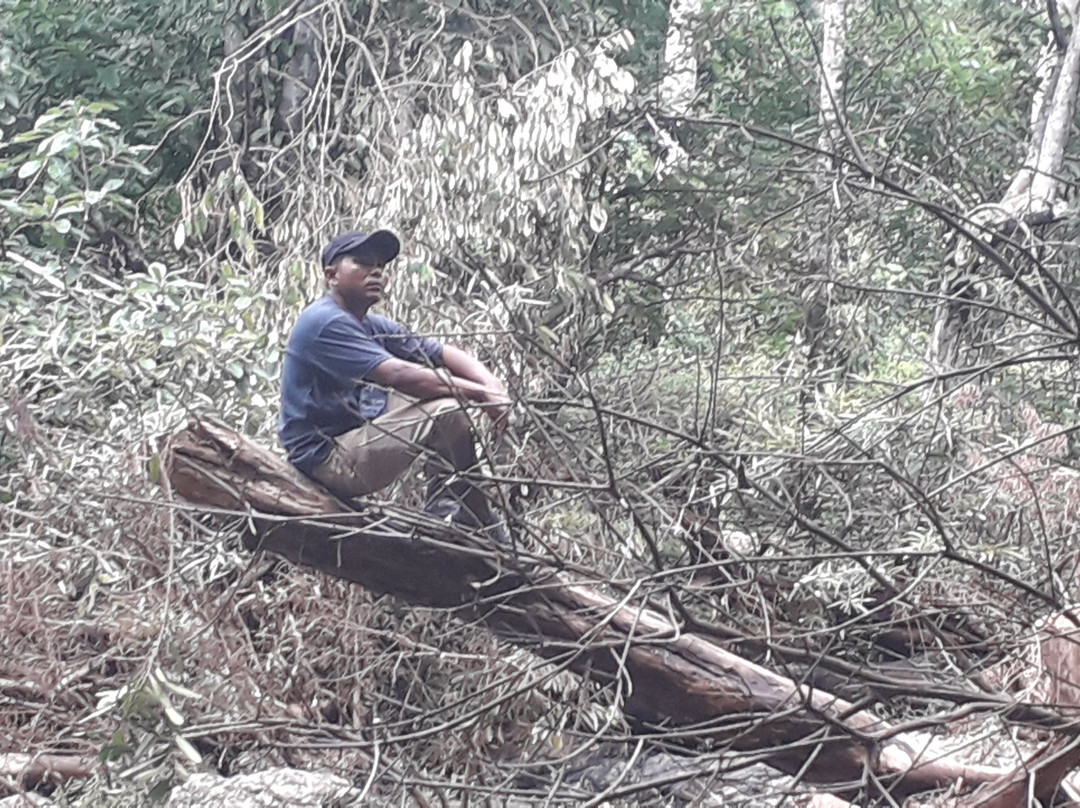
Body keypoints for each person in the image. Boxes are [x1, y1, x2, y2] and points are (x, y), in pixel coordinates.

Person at [278, 229, 510, 536]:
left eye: (380, 265)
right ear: (332, 275)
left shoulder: (370, 324)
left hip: (351, 434)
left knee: (442, 398)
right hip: (325, 459)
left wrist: (492, 386)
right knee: (445, 410)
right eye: (361, 262)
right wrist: (480, 395)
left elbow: (438, 353)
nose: (375, 271)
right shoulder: (325, 321)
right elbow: (400, 376)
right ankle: (465, 513)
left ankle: (462, 509)